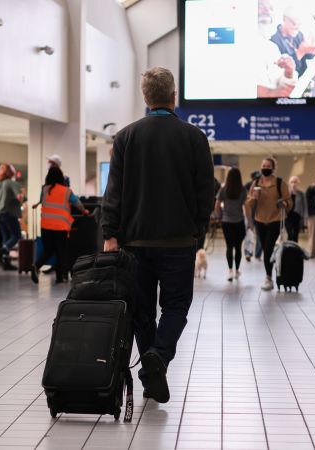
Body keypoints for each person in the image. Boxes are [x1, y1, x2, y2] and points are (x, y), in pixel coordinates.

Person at [101, 67, 214, 404]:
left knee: (142, 311)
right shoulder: (194, 138)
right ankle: (159, 358)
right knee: (176, 307)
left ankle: (153, 369)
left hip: (134, 242)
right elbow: (205, 192)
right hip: (178, 241)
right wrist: (198, 230)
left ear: (145, 98)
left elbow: (114, 192)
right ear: (173, 96)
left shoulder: (126, 137)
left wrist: (110, 233)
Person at [30, 166, 87, 285]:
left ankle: (37, 265)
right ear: (61, 177)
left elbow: (42, 201)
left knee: (49, 250)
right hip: (60, 226)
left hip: (46, 225)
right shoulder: (66, 191)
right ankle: (60, 277)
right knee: (61, 250)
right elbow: (77, 203)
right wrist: (84, 211)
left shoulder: (45, 189)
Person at [245, 157, 291, 291]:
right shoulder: (256, 183)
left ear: (273, 168)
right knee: (266, 249)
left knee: (268, 247)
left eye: (268, 166)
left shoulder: (280, 183)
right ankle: (270, 274)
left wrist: (284, 203)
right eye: (263, 165)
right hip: (259, 219)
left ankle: (268, 277)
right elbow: (249, 203)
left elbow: (288, 201)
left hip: (275, 219)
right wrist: (255, 197)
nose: (265, 167)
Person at [257, 0, 297, 97]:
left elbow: (282, 83)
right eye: (261, 6)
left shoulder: (271, 47)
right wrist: (269, 95)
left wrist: (288, 72)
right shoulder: (236, 45)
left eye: (270, 8)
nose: (267, 10)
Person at [215, 168, 247, 281]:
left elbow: (217, 204)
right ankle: (237, 271)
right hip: (239, 221)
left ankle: (229, 271)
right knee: (238, 247)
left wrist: (219, 217)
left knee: (229, 247)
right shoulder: (243, 190)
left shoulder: (224, 189)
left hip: (226, 221)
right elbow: (245, 204)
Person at [0, 163, 23, 270]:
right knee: (16, 235)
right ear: (10, 172)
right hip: (9, 212)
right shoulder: (10, 183)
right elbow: (19, 196)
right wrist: (22, 196)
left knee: (6, 237)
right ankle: (0, 252)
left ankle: (5, 263)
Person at [270, 6, 315, 77]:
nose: (297, 27)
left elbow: (308, 57)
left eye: (299, 24)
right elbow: (281, 71)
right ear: (284, 18)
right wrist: (300, 52)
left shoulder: (299, 34)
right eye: (294, 22)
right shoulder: (274, 41)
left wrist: (312, 49)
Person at [286, 176, 307, 242]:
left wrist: (305, 218)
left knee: (295, 235)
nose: (294, 184)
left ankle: (294, 249)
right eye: (292, 182)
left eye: (295, 182)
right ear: (289, 183)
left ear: (298, 183)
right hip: (287, 216)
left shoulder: (301, 194)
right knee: (290, 234)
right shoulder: (286, 193)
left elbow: (305, 206)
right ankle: (289, 248)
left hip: (297, 216)